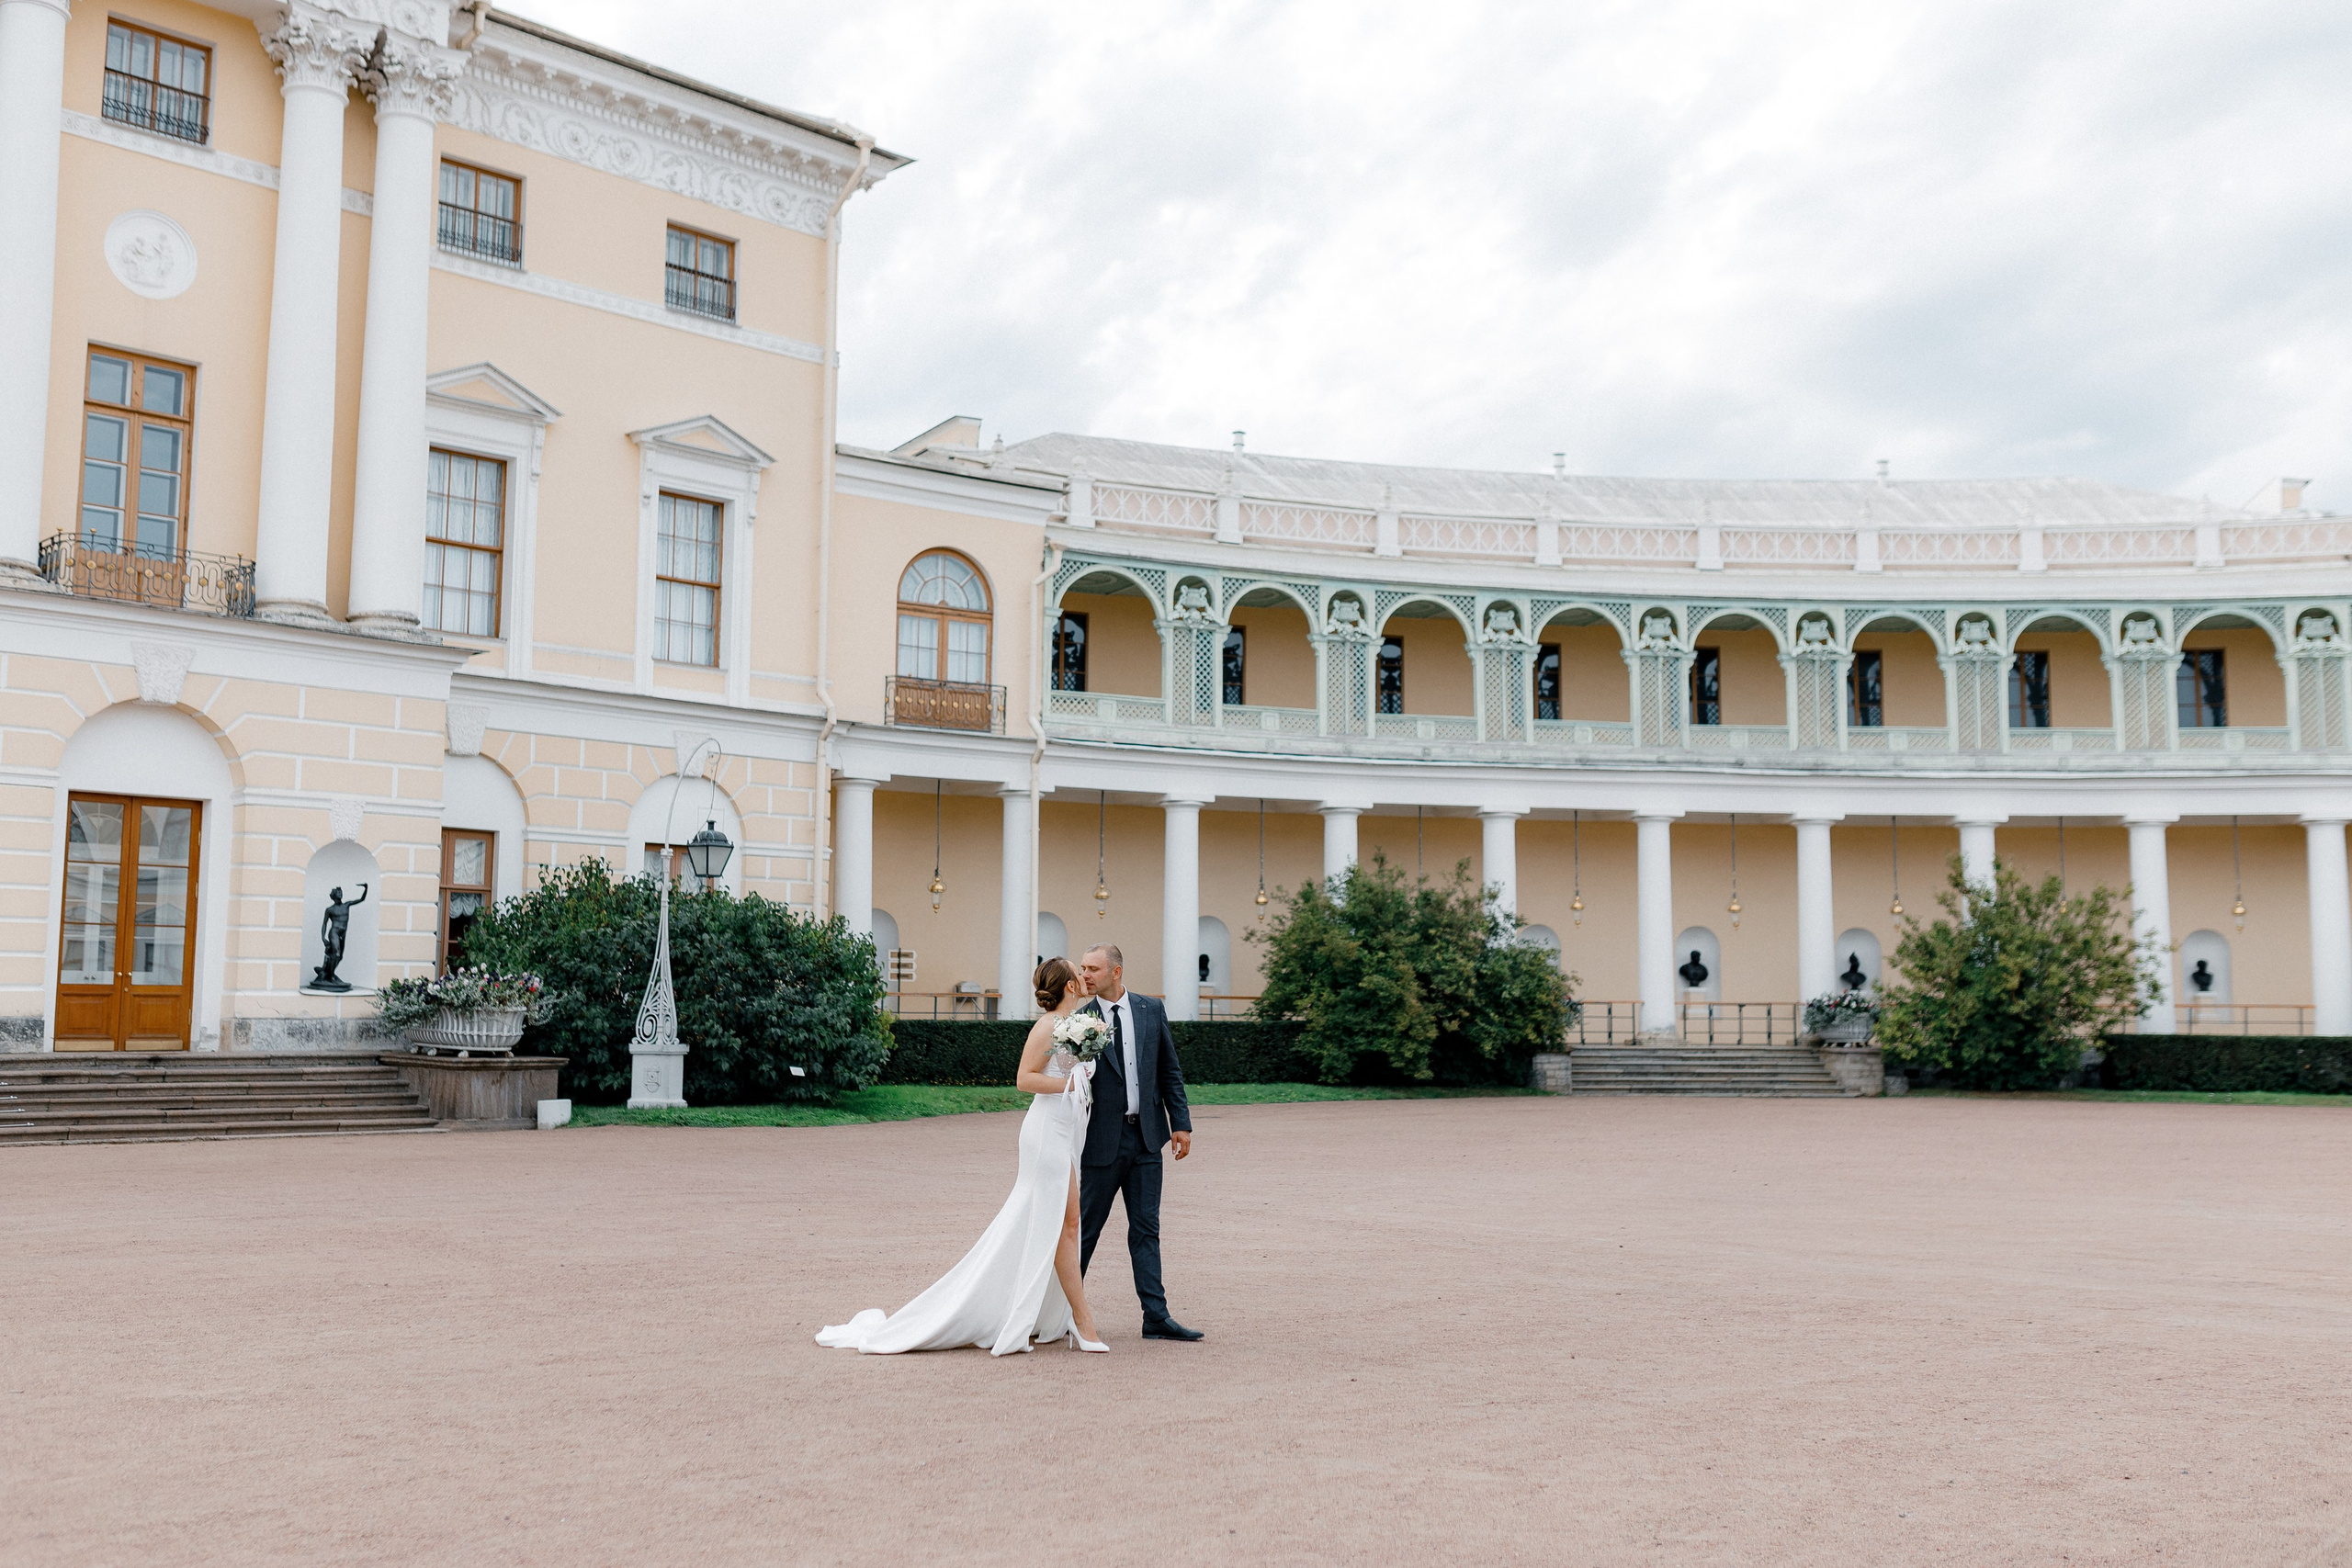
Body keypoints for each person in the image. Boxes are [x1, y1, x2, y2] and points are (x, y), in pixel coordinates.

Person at [816, 957, 1110, 1355]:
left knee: (1068, 1224)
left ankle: (1060, 1316)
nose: (1084, 976)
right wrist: (1070, 1084)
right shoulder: (1049, 1027)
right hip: (1045, 1134)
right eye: (1079, 972)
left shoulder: (1075, 1024)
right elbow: (1025, 1079)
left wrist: (1079, 1078)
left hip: (1064, 1131)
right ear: (1070, 986)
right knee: (1056, 1225)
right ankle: (1082, 1321)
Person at [1074, 943, 1202, 1341]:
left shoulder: (1151, 1009)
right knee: (1085, 1229)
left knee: (1146, 1228)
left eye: (1093, 968)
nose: (1085, 975)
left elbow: (1170, 1070)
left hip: (1147, 1139)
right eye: (1082, 968)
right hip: (1100, 1142)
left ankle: (1156, 1317)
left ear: (1116, 972)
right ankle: (1059, 1311)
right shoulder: (1079, 1020)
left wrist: (1180, 1123)